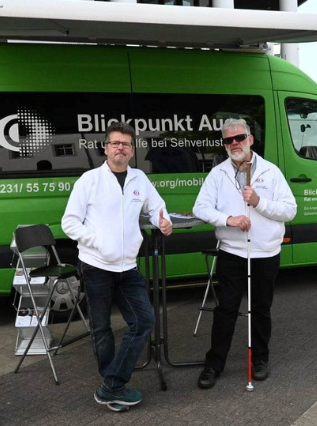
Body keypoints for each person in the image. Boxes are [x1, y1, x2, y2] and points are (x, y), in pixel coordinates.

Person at [62, 121, 172, 412]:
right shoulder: (89, 180)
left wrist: (164, 220)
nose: (120, 148)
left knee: (143, 321)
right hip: (96, 265)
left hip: (128, 267)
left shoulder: (139, 179)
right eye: (115, 143)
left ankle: (111, 385)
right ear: (106, 148)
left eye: (125, 144)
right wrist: (98, 242)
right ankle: (114, 387)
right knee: (102, 329)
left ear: (132, 150)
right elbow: (69, 222)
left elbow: (157, 206)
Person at [193, 118, 296, 389]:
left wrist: (259, 202)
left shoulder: (271, 172)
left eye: (239, 137)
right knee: (226, 309)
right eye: (228, 140)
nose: (234, 143)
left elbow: (289, 210)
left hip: (265, 252)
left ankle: (260, 359)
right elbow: (200, 208)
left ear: (250, 139)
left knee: (261, 308)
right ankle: (214, 364)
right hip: (232, 251)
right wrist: (229, 219)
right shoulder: (218, 173)